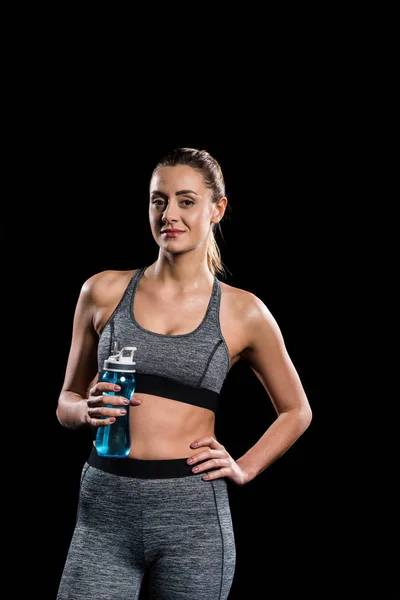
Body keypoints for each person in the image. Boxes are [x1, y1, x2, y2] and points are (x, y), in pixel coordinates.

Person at [55, 147, 312, 600]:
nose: (169, 214)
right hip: (104, 510)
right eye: (159, 200)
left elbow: (296, 410)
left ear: (218, 208)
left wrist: (244, 468)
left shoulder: (243, 311)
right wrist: (83, 411)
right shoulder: (102, 290)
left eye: (186, 201)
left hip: (192, 518)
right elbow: (66, 400)